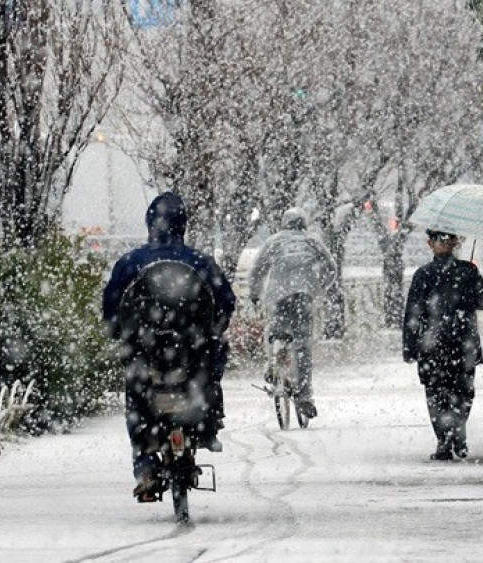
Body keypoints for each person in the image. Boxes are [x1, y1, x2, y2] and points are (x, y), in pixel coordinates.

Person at [102, 191, 235, 499]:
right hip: (193, 356)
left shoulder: (130, 263)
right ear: (183, 225)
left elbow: (111, 309)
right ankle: (208, 426)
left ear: (151, 223)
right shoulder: (201, 262)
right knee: (212, 367)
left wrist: (121, 336)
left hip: (145, 357)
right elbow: (225, 304)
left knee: (137, 401)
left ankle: (147, 466)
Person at [402, 229, 483, 461]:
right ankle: (457, 438)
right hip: (464, 343)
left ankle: (445, 440)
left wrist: (410, 347)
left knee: (436, 395)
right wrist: (470, 285)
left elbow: (412, 313)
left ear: (429, 244)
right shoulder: (468, 271)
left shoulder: (423, 274)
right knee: (462, 393)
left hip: (433, 345)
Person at [248, 207, 339, 419]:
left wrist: (254, 294)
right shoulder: (312, 241)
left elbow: (258, 269)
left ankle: (272, 365)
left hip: (278, 295)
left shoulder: (274, 241)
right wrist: (321, 285)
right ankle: (305, 397)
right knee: (302, 346)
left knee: (274, 331)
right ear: (303, 223)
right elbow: (331, 268)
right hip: (303, 297)